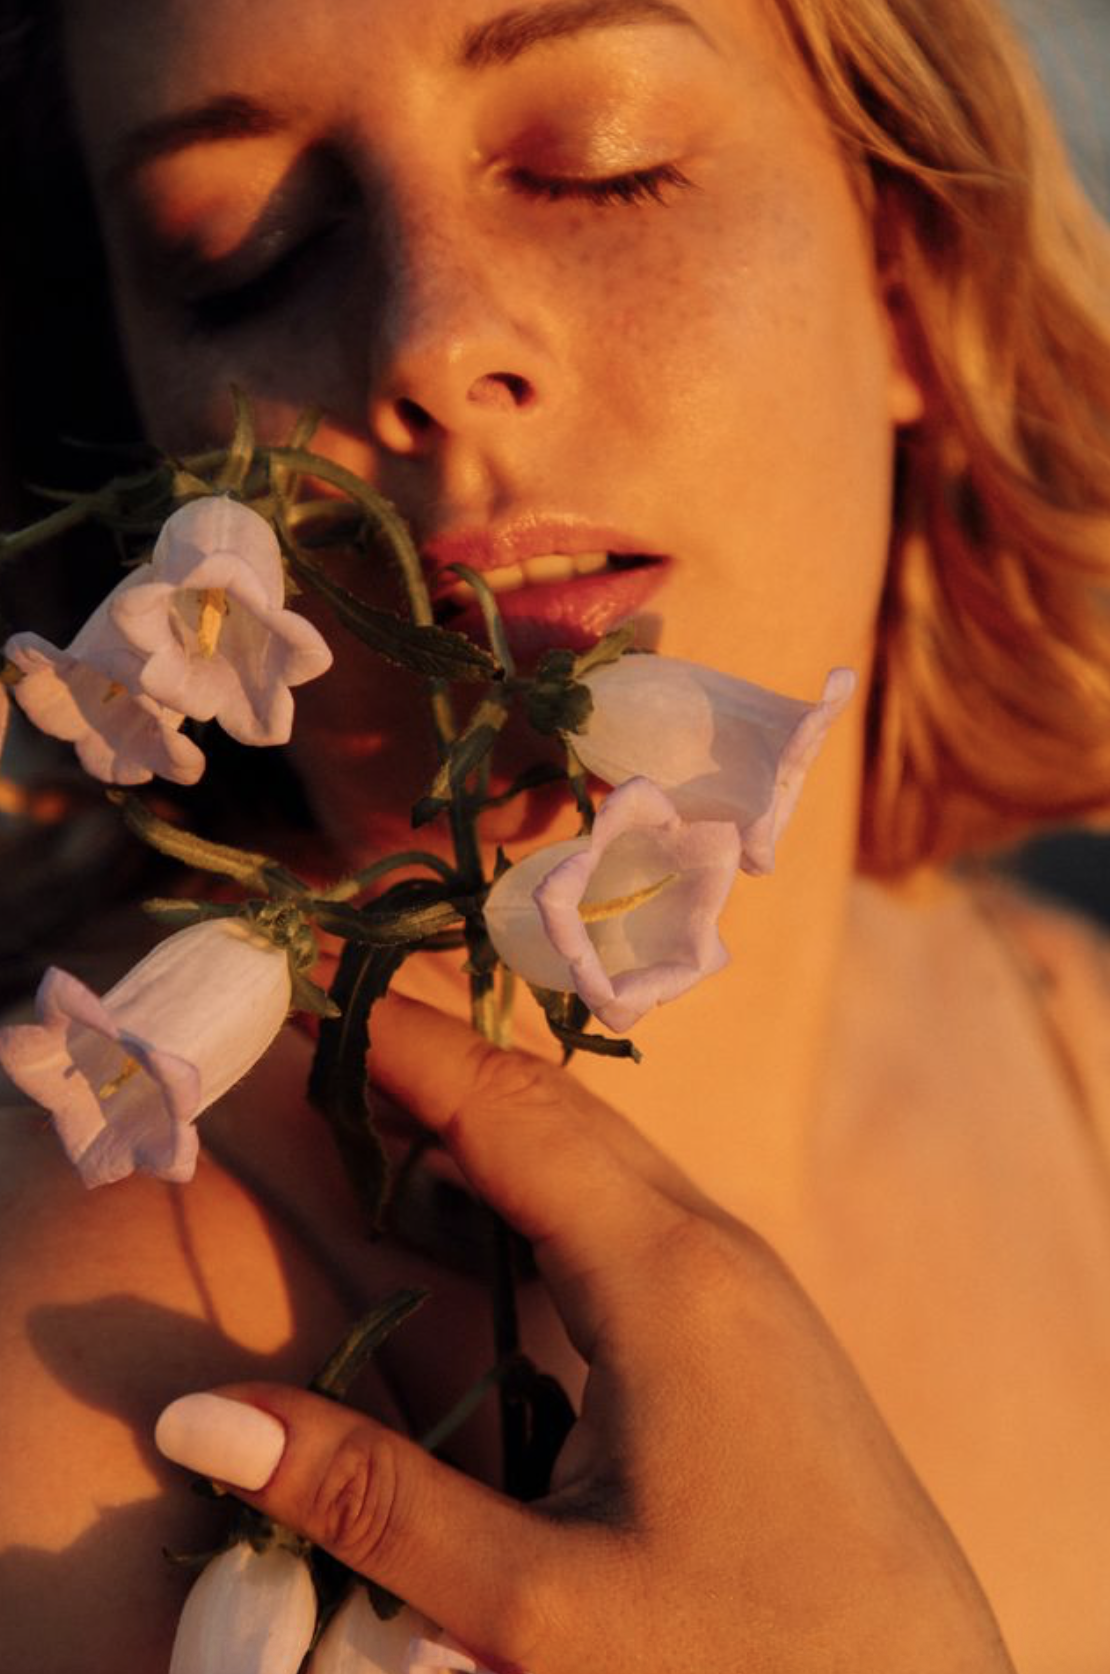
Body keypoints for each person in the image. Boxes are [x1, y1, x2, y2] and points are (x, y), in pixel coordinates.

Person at [1, 0, 1109, 1669]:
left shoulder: (1073, 1031)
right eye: (239, 251)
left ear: (904, 269)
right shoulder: (69, 1377)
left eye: (600, 163)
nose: (430, 340)